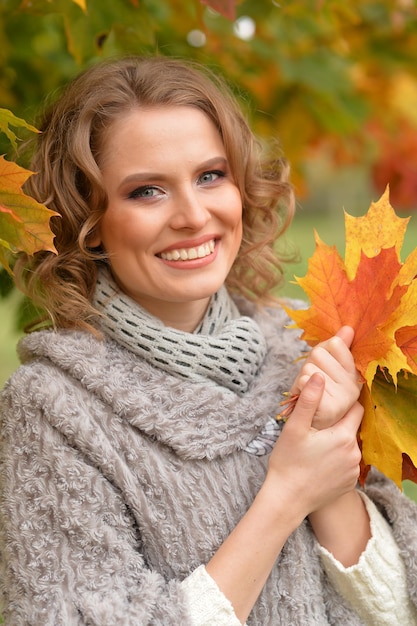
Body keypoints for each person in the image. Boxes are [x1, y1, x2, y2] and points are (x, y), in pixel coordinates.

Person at [0, 55, 416, 626]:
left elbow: (397, 610)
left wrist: (331, 482)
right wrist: (286, 496)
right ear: (87, 221)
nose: (194, 215)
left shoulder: (311, 344)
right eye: (147, 191)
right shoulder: (54, 407)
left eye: (210, 175)